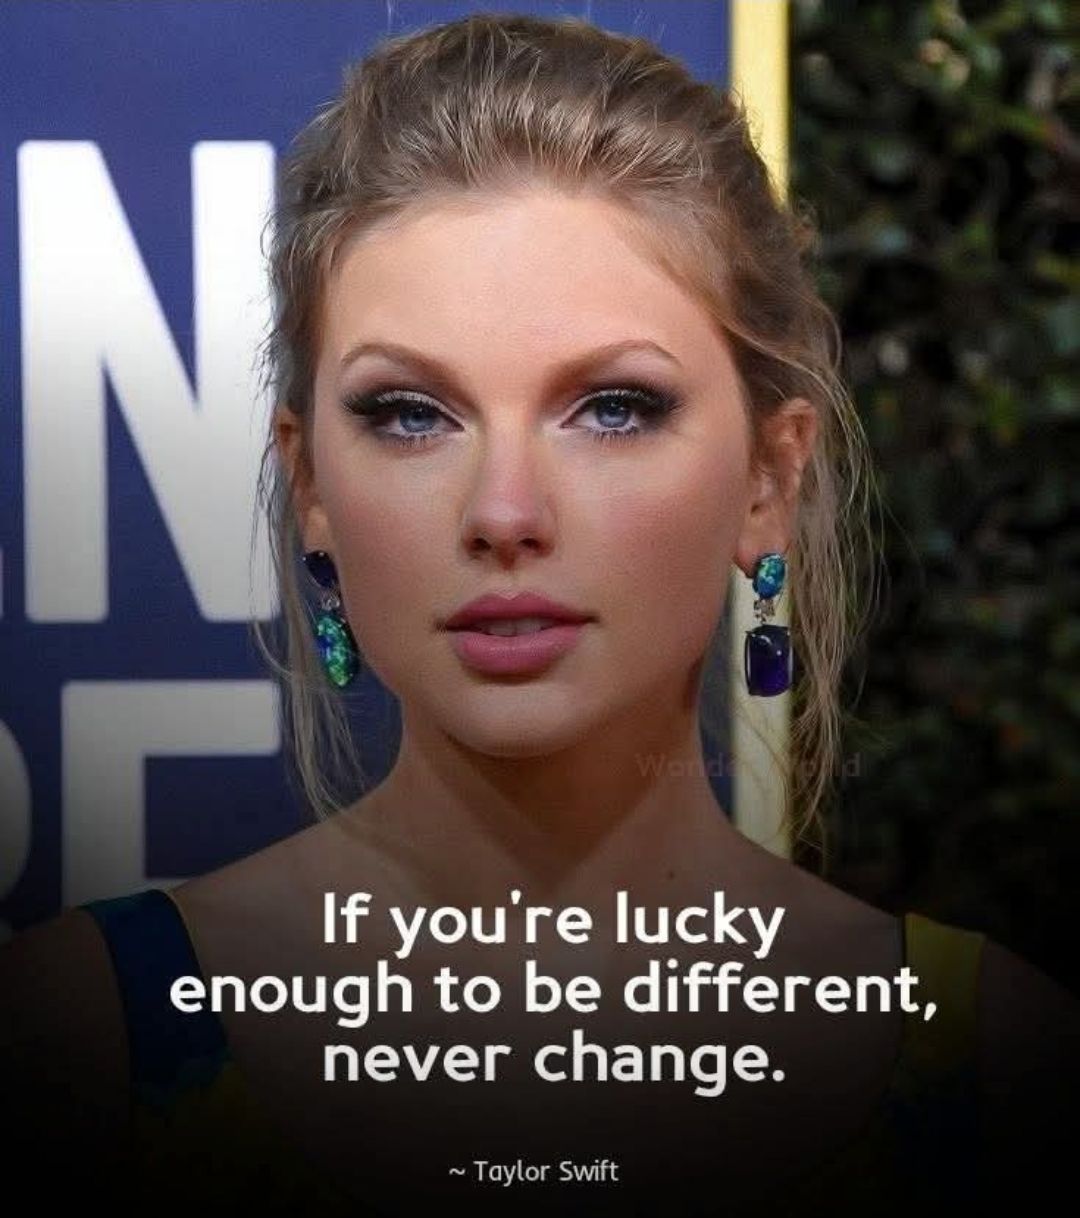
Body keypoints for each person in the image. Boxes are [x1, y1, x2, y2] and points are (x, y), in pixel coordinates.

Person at [2, 12, 1076, 1216]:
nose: (504, 511)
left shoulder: (1002, 1072)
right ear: (311, 487)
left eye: (613, 408)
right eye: (411, 414)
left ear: (768, 481)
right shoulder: (71, 1044)